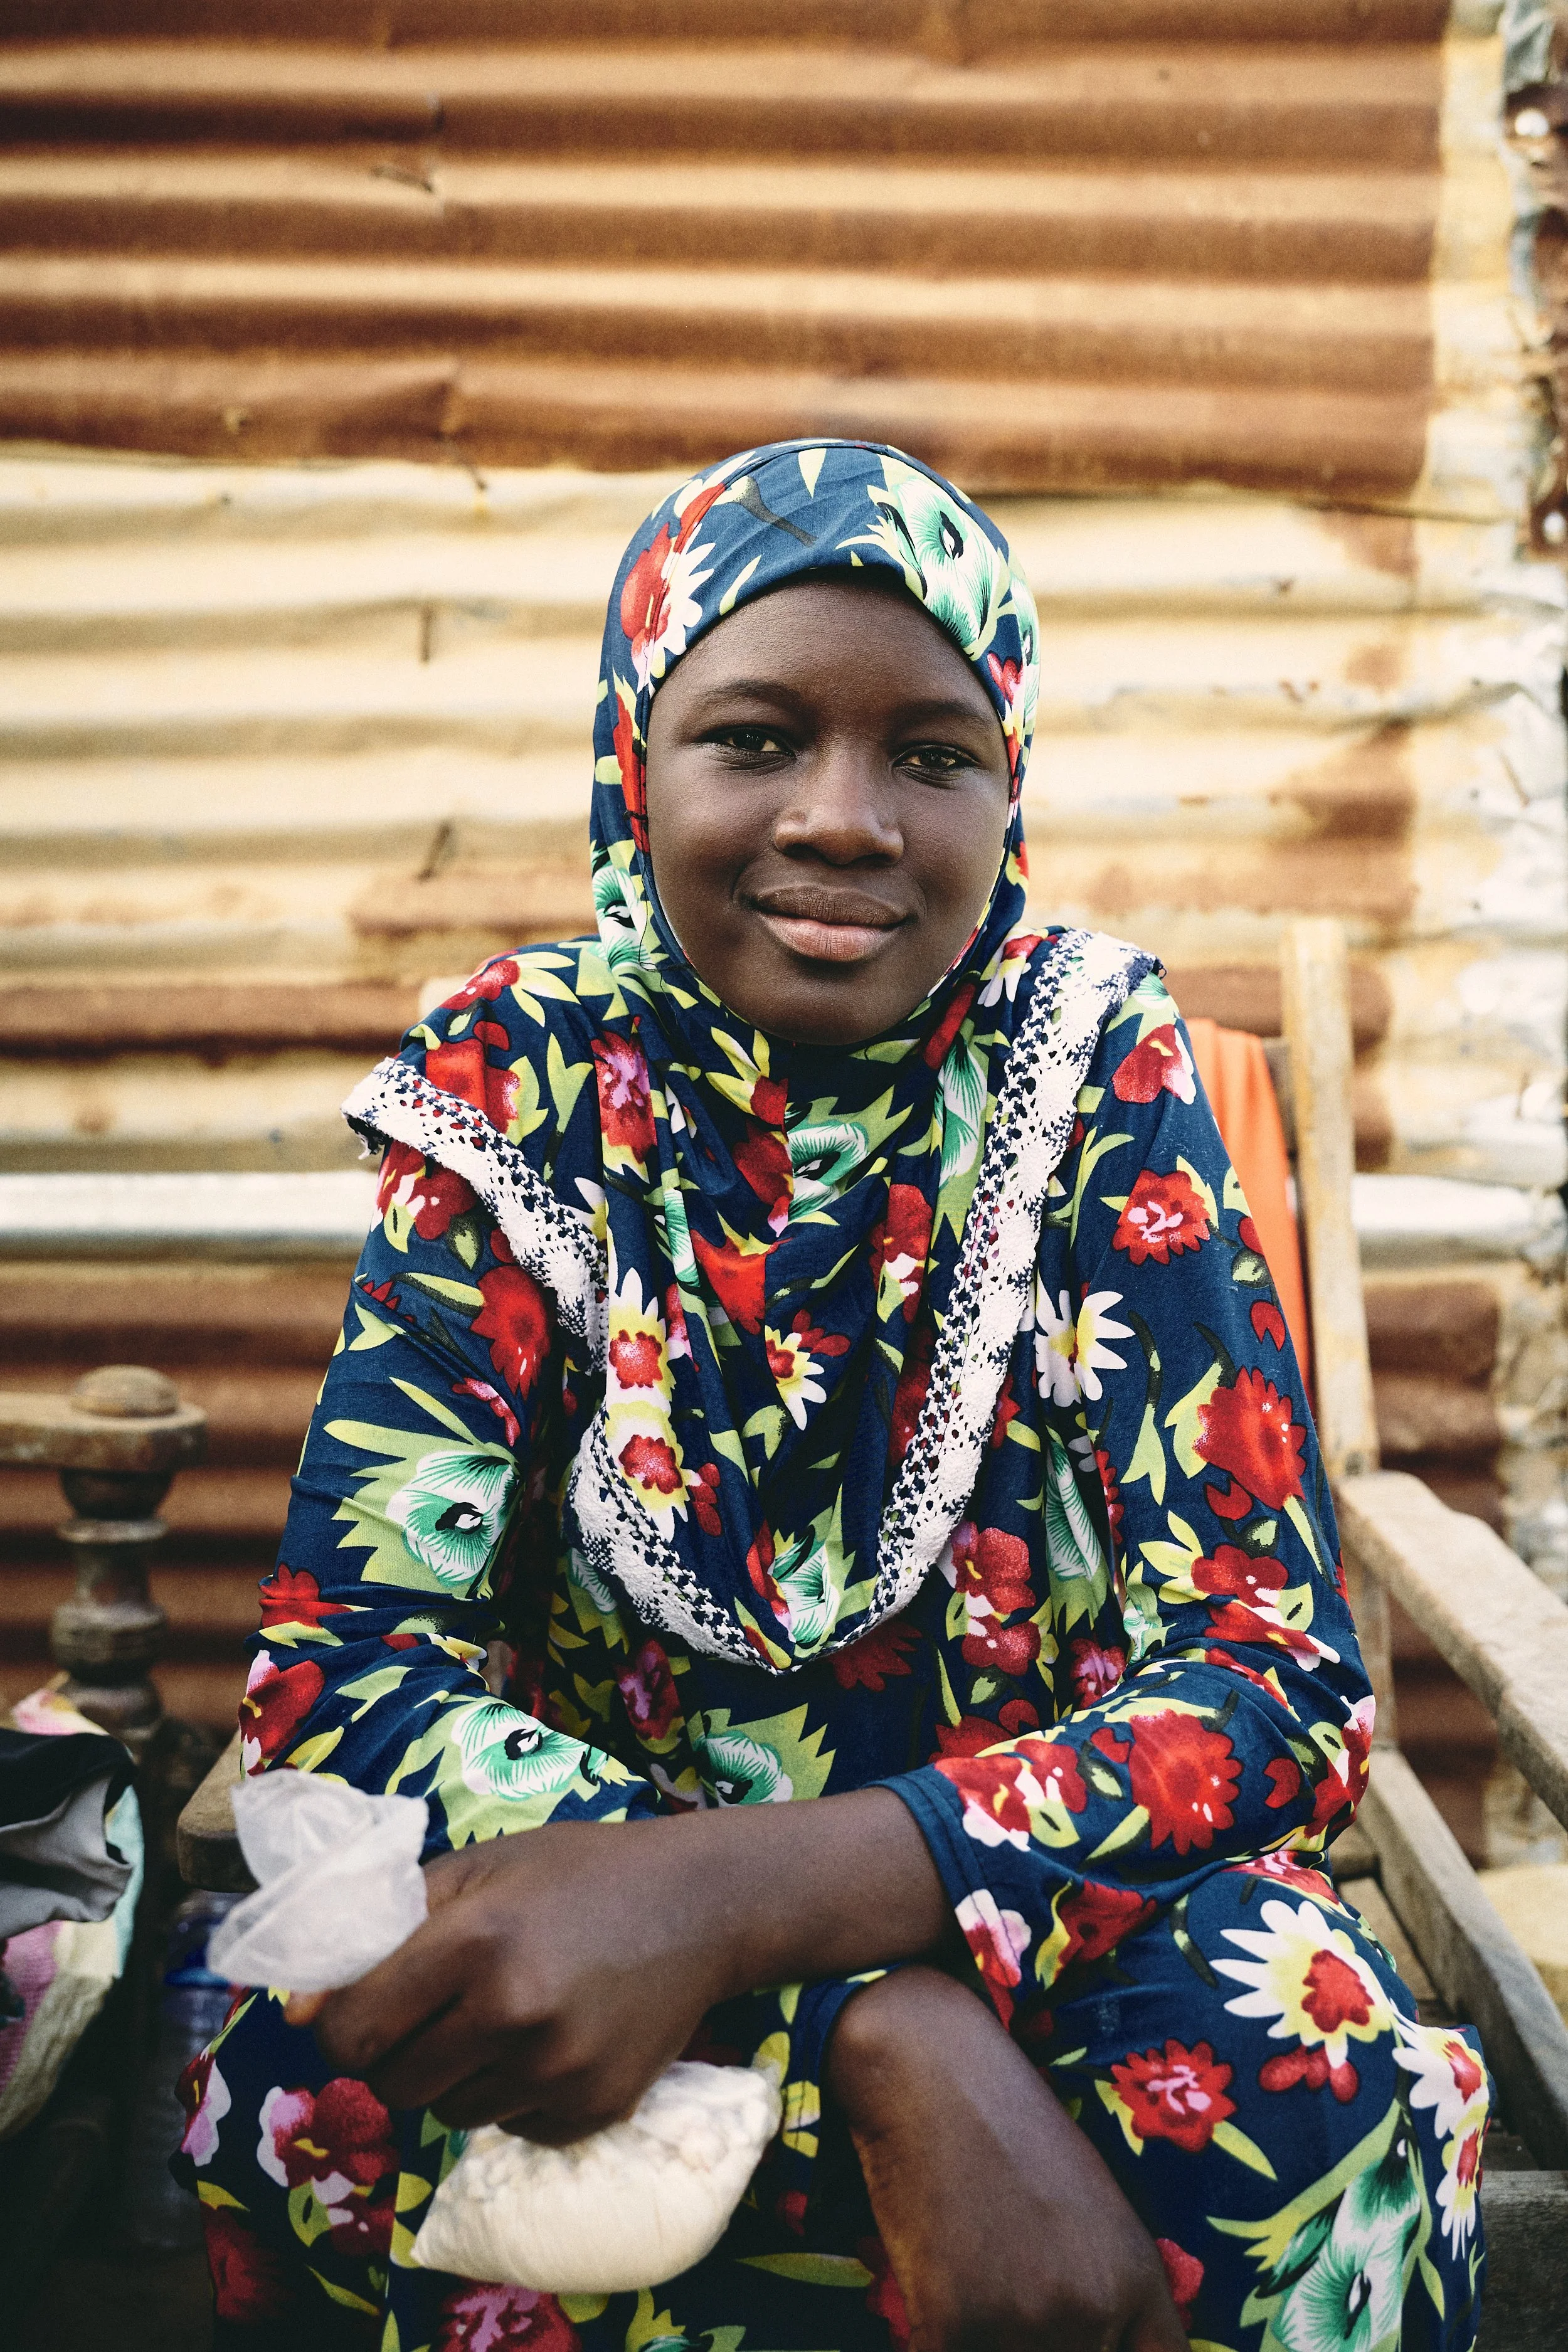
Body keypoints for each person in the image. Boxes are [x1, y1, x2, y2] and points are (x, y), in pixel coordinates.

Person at [175, 440, 1490, 2352]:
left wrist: (774, 1899)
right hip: (592, 1912)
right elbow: (342, 1671)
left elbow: (1265, 1678)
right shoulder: (516, 1085)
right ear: (635, 763)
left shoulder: (1093, 1070)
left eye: (932, 755)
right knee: (305, 2090)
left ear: (1008, 788)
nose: (846, 819)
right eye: (756, 738)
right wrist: (864, 2016)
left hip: (1042, 1914)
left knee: (1298, 2050)